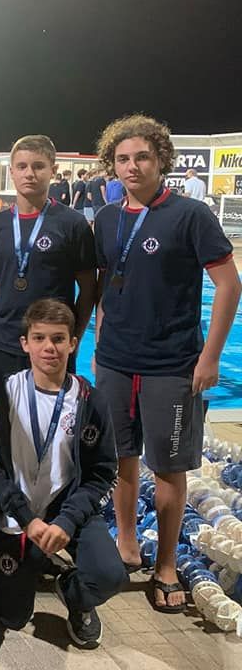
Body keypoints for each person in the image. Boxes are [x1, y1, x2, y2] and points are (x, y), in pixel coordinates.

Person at [92, 114, 240, 613]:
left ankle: (168, 565)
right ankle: (127, 543)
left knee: (169, 468)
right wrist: (100, 333)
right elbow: (107, 281)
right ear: (112, 165)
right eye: (122, 159)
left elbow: (229, 286)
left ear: (161, 160)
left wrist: (210, 356)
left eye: (142, 157)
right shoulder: (107, 218)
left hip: (171, 365)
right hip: (115, 362)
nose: (132, 167)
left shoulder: (190, 215)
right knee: (121, 459)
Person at [0, 299, 127, 649]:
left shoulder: (90, 400)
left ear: (73, 343)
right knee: (11, 616)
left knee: (110, 576)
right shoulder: (4, 393)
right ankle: (31, 564)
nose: (49, 347)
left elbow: (102, 473)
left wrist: (67, 521)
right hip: (16, 513)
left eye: (58, 338)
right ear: (25, 344)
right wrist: (26, 518)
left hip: (66, 510)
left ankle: (74, 594)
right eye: (39, 338)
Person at [0, 135, 97, 400]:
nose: (29, 174)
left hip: (52, 345)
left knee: (53, 418)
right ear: (11, 172)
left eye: (38, 166)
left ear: (52, 171)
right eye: (21, 167)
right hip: (4, 343)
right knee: (3, 417)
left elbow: (89, 289)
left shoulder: (73, 224)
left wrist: (73, 337)